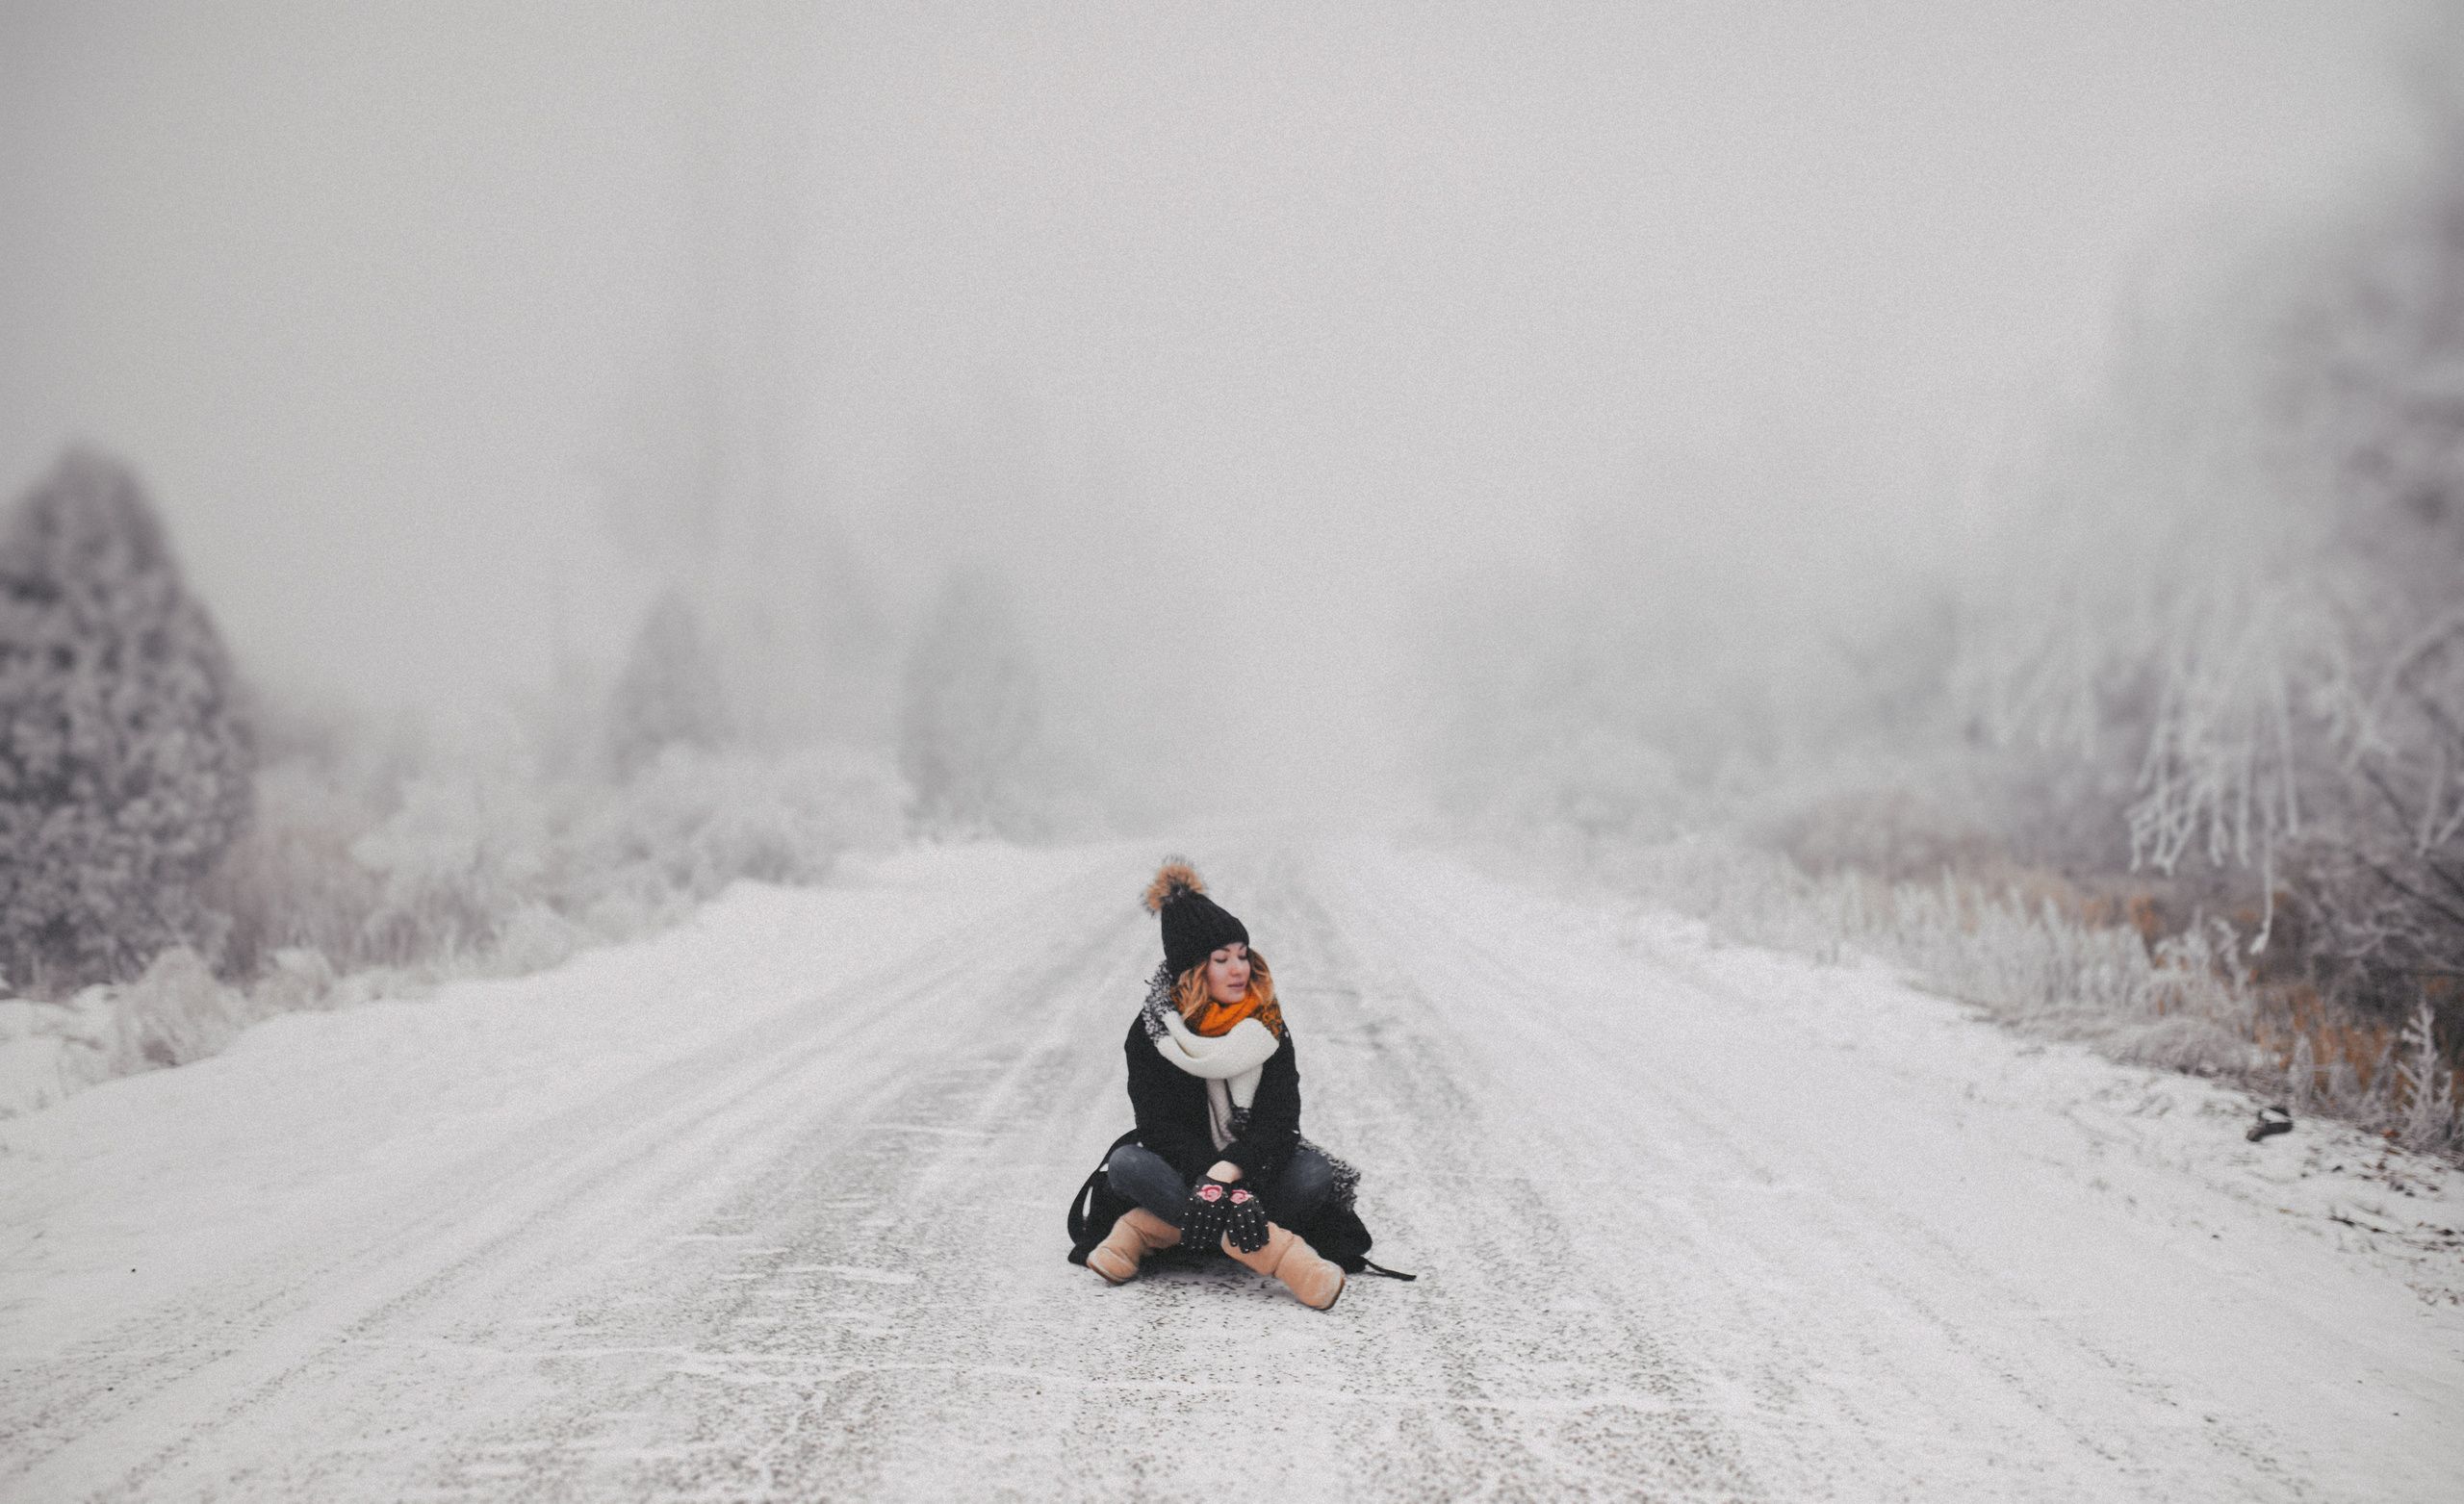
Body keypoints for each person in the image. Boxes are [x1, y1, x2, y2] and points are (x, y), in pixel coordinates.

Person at [1079, 859, 1361, 1309]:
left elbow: (1279, 1123)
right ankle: (1288, 1259)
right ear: (1193, 969)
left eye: (1243, 954)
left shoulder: (1268, 1026)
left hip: (1255, 1174)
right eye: (1221, 959)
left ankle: (1148, 1230)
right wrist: (1208, 1183)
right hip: (1182, 1171)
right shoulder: (1152, 1034)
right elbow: (1159, 1128)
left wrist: (1229, 1177)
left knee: (1314, 1174)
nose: (1239, 970)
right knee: (1129, 1163)